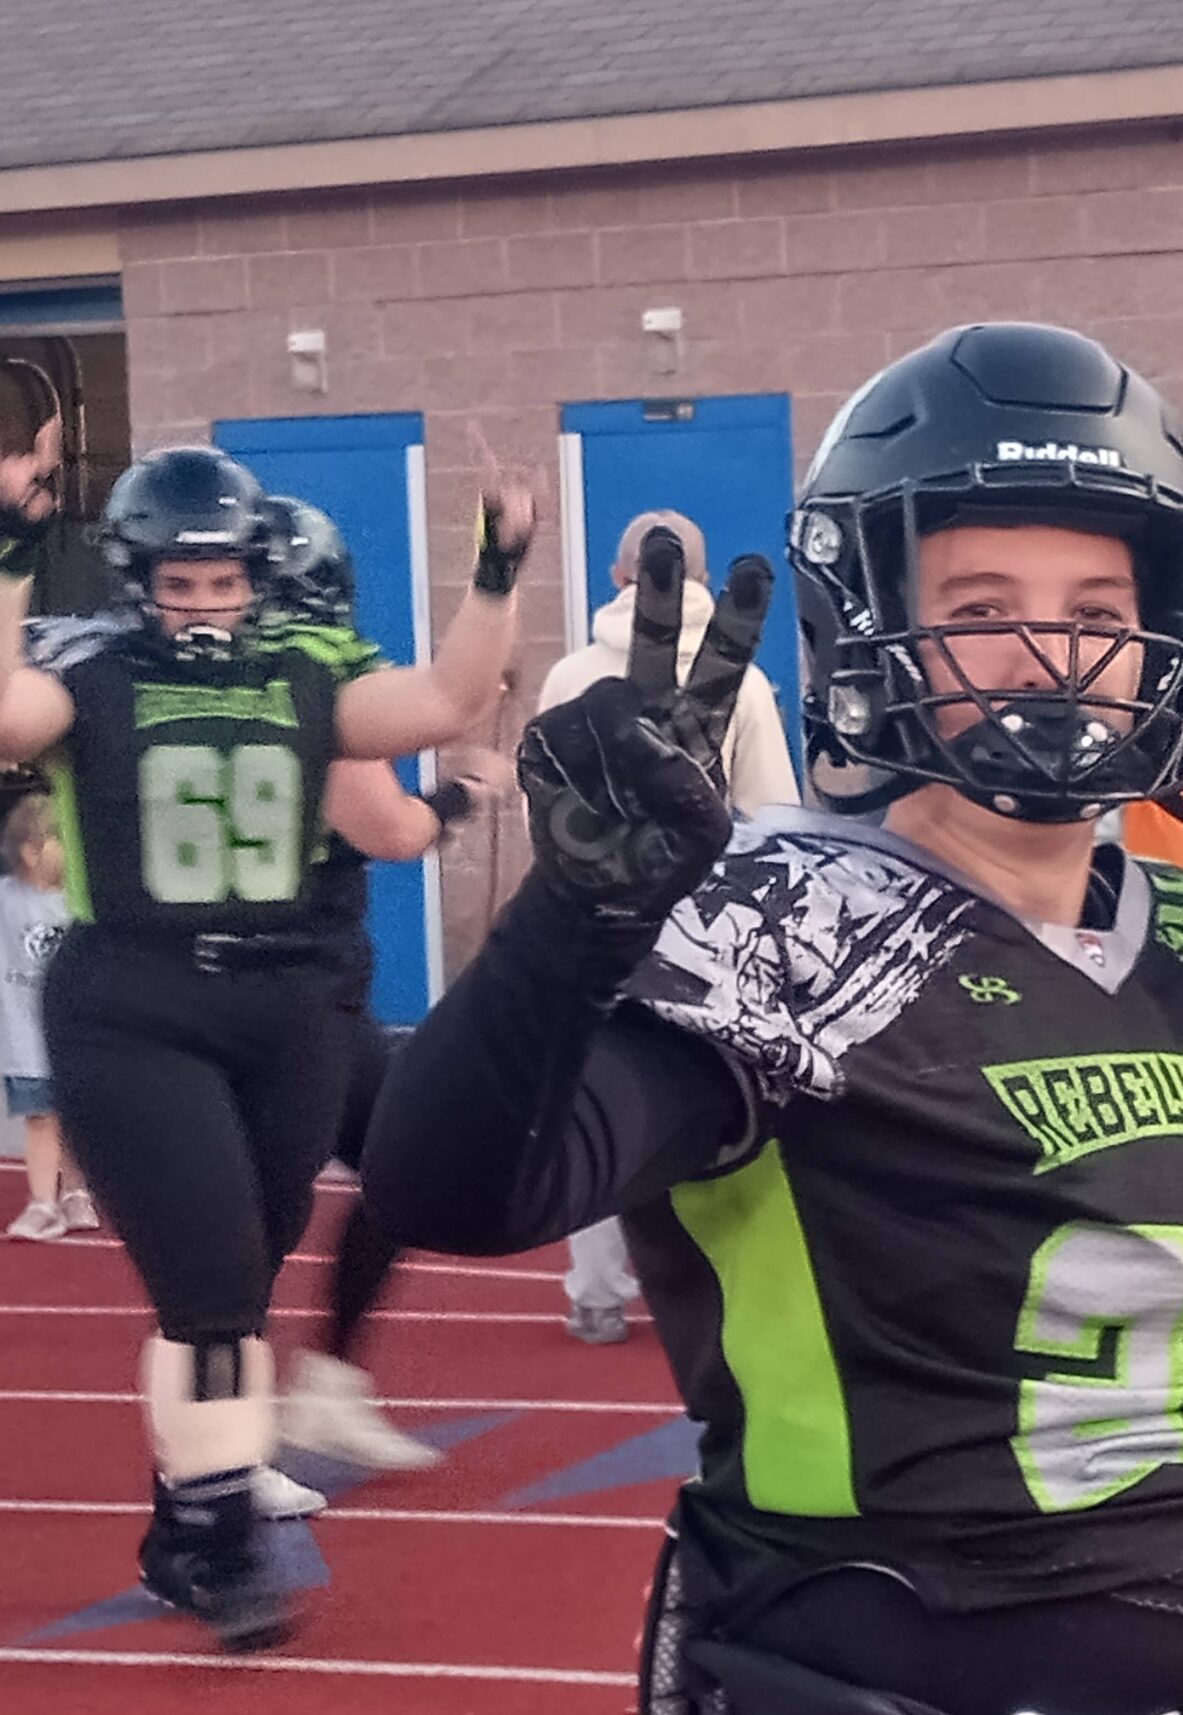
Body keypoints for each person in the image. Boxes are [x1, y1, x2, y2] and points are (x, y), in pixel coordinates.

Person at [368, 323, 1183, 1715]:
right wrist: (573, 917)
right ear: (873, 622)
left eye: (1097, 610)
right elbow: (451, 1185)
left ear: (1170, 629)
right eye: (981, 608)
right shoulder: (789, 923)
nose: (1048, 655)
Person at [0, 423, 530, 1649]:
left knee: (244, 1273)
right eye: (179, 581)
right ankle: (219, 1538)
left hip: (286, 1005)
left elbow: (448, 700)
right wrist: (14, 553)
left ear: (254, 574)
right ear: (138, 579)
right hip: (137, 998)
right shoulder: (93, 670)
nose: (202, 602)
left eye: (222, 579)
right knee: (211, 1290)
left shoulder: (302, 669)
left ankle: (191, 1517)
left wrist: (497, 568)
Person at [254, 498, 494, 1472]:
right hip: (285, 990)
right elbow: (386, 826)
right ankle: (220, 1456)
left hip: (296, 982)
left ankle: (324, 1388)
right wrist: (461, 796)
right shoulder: (298, 682)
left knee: (402, 1157)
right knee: (246, 1229)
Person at [532, 508, 800, 1346]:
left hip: (594, 916)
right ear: (705, 581)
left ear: (620, 578)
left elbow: (546, 803)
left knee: (592, 1098)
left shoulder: (570, 676)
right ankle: (727, 1285)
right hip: (710, 921)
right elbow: (774, 812)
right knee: (728, 1099)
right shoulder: (744, 683)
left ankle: (596, 1294)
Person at [0, 792, 89, 1238]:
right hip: (25, 1036)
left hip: (75, 1033)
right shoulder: (7, 898)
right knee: (41, 1117)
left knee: (70, 1118)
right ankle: (44, 1202)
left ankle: (74, 1193)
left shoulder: (80, 903)